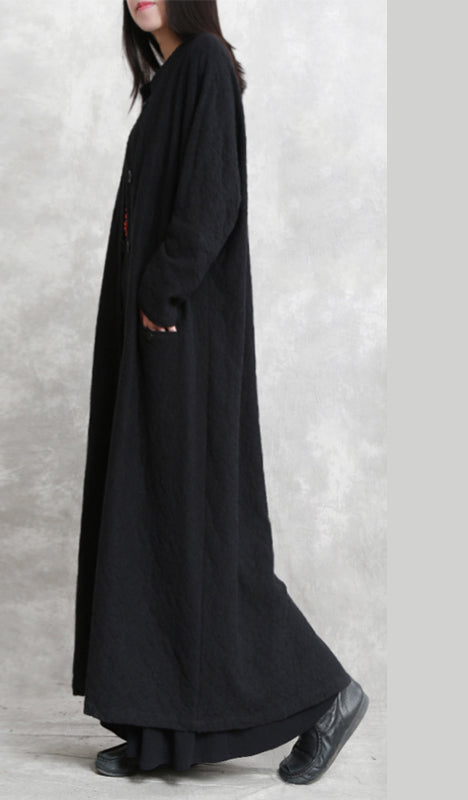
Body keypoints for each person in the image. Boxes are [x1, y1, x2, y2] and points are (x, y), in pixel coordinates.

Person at [72, 0, 368, 784]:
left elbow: (211, 198)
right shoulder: (169, 80)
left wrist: (160, 295)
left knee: (201, 529)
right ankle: (163, 732)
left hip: (182, 335)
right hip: (154, 337)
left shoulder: (202, 65)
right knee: (154, 523)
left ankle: (329, 693)